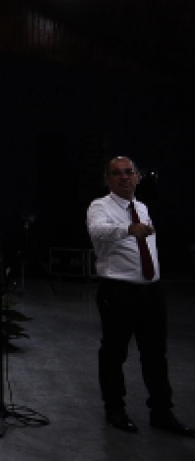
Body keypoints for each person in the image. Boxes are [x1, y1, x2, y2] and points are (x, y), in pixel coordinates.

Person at [86, 156, 194, 436]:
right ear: (108, 179)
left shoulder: (142, 207)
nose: (124, 177)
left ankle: (161, 411)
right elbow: (97, 231)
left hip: (151, 293)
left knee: (156, 354)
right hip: (119, 293)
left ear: (137, 177)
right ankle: (115, 410)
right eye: (117, 173)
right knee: (114, 353)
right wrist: (127, 230)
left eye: (129, 172)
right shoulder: (100, 206)